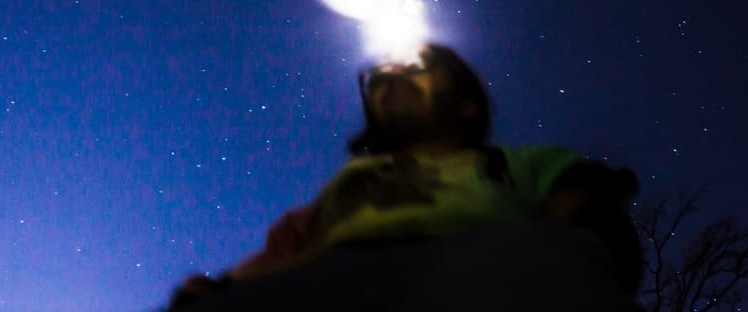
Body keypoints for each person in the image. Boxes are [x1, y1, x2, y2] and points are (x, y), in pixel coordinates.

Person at [168, 43, 643, 311]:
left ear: (466, 105)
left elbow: (583, 211)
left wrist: (593, 240)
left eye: (418, 68)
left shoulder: (517, 163)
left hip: (478, 268)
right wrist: (223, 288)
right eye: (379, 78)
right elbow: (285, 251)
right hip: (325, 282)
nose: (391, 76)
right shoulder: (348, 182)